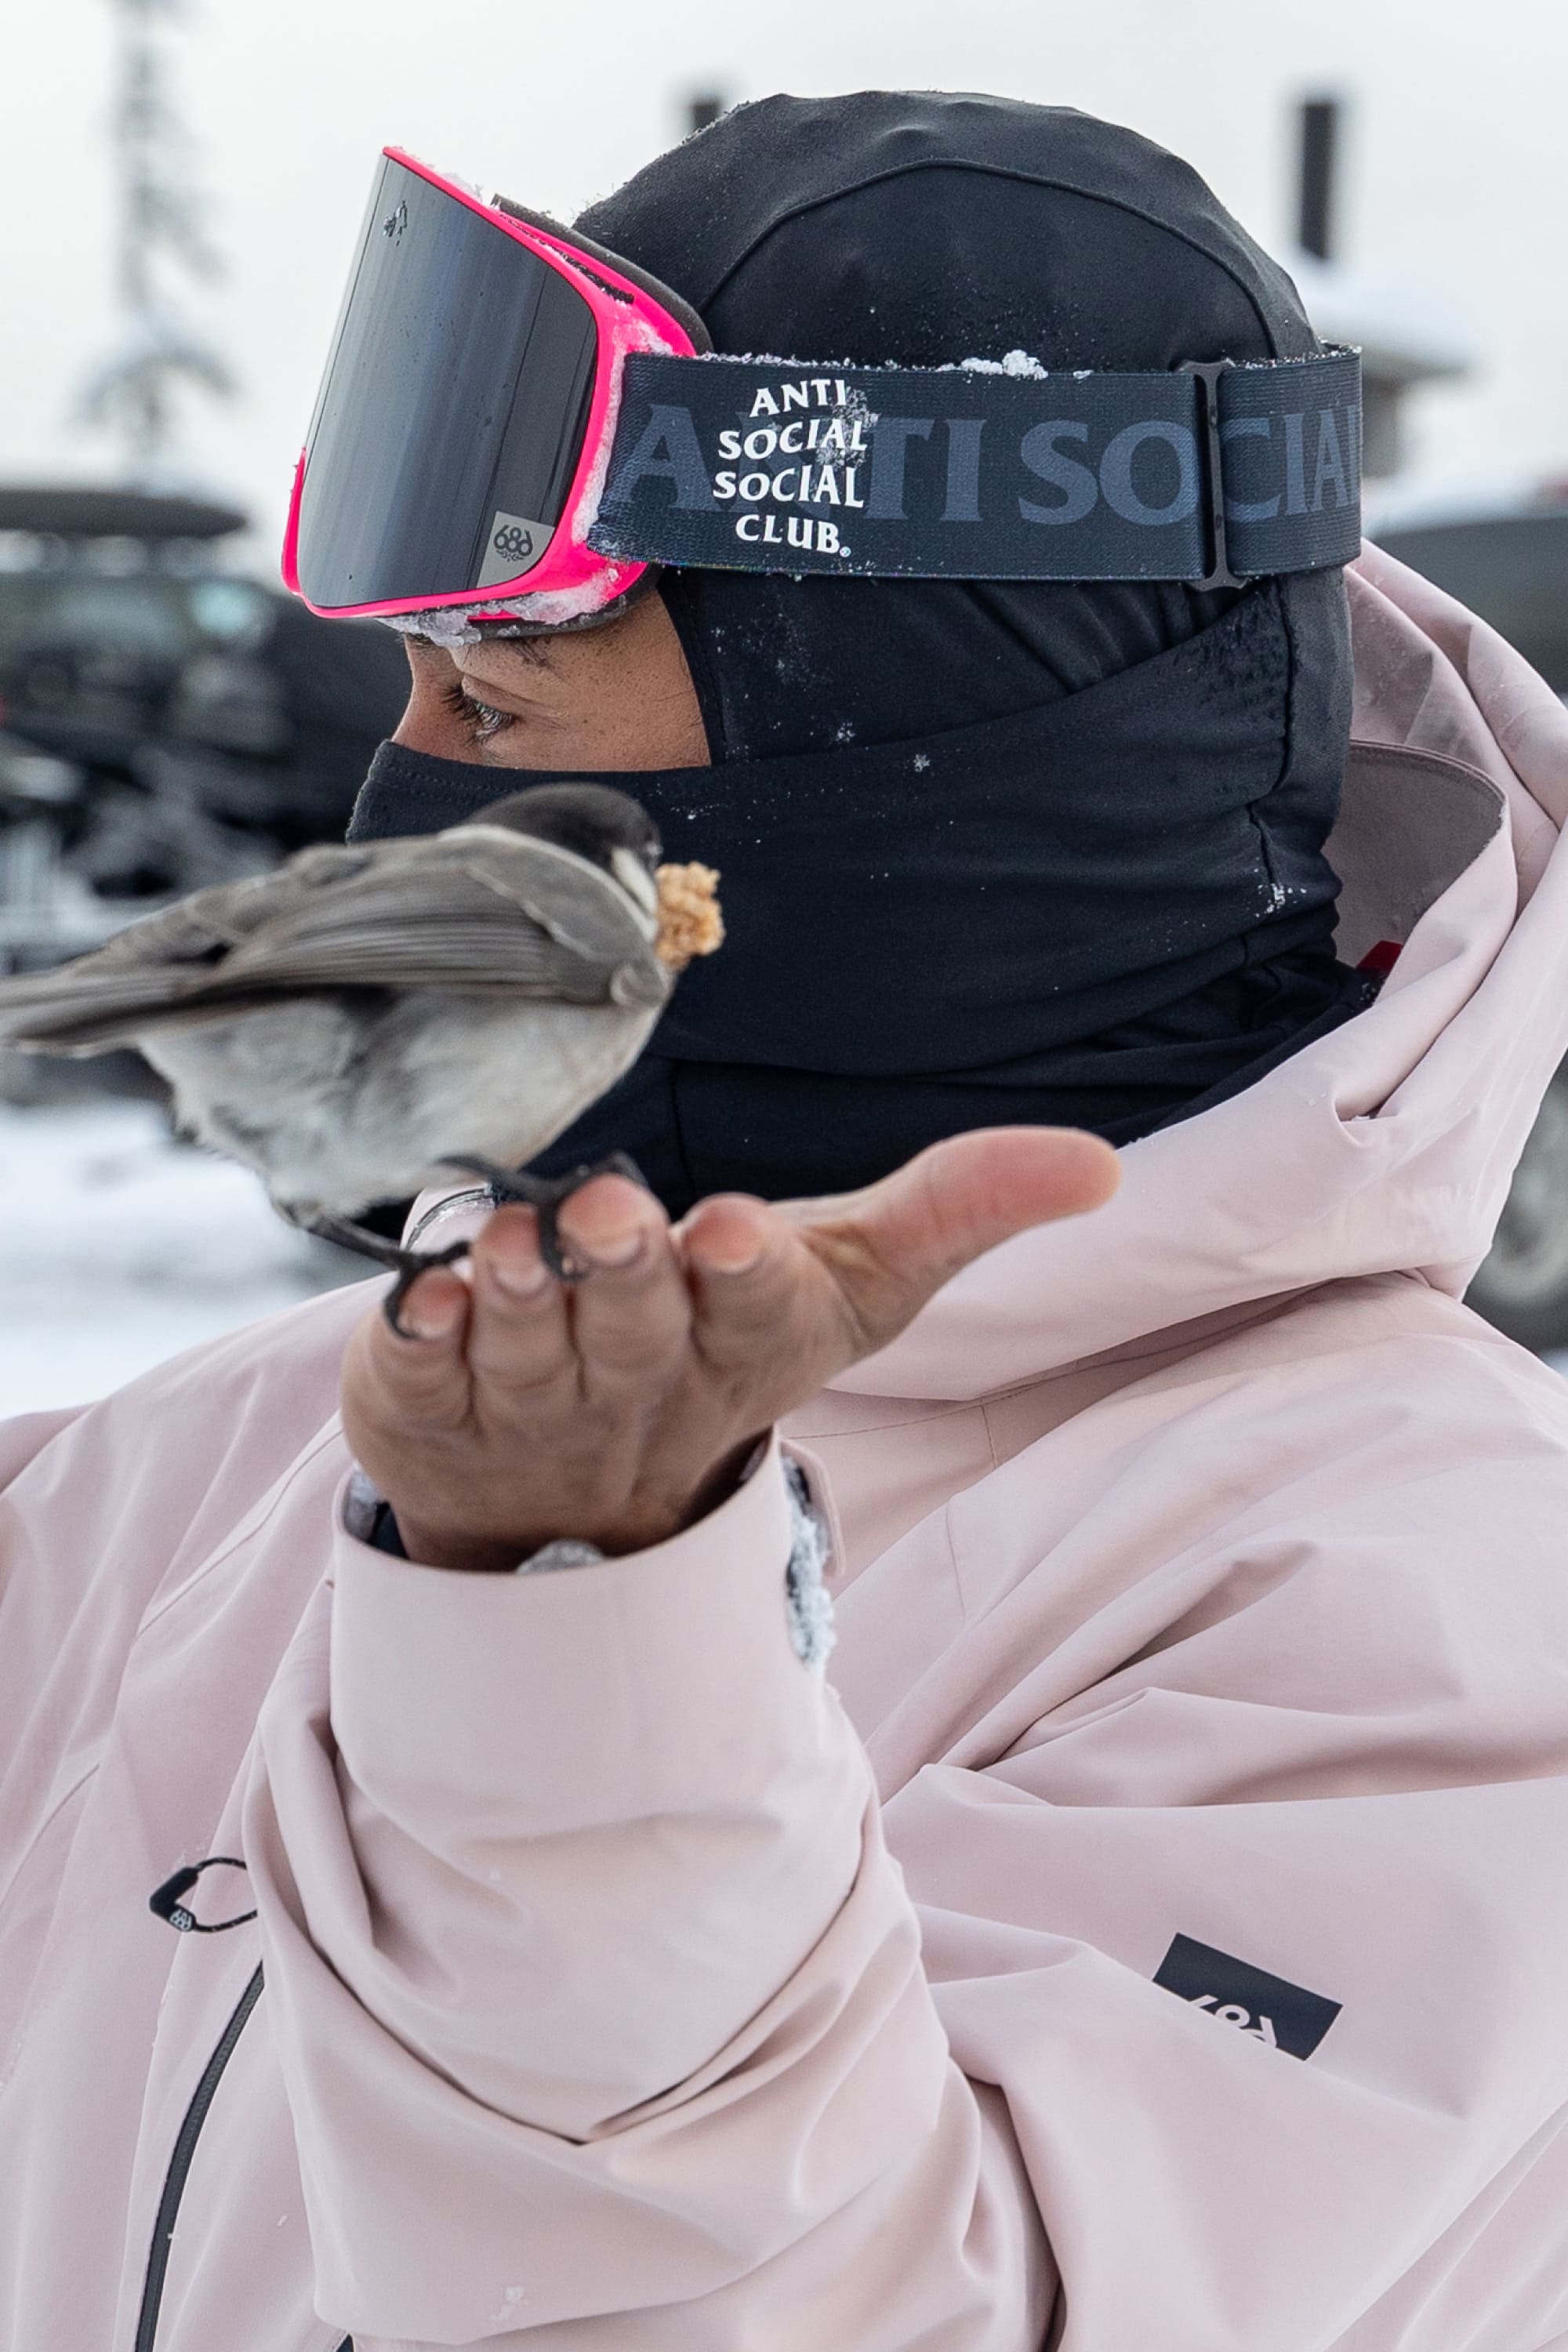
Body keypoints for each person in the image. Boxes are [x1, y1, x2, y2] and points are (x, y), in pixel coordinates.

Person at [4, 90, 1568, 2352]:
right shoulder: (258, 1464)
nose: (412, 796)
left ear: (918, 788)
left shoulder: (1429, 1615)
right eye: (420, 689)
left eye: (504, 699)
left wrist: (568, 1644)